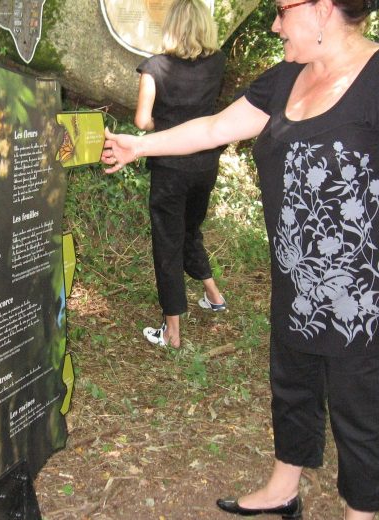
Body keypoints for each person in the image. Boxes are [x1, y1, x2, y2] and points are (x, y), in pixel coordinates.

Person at [101, 0, 379, 518]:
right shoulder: (285, 78)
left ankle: (360, 512)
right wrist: (138, 146)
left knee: (358, 409)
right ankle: (283, 490)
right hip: (296, 283)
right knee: (293, 388)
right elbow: (214, 128)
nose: (276, 23)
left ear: (323, 9)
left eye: (284, 10)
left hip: (363, 296)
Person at [133, 0, 227, 349]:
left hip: (170, 166)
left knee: (167, 242)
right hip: (205, 164)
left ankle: (172, 331)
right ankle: (213, 295)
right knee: (190, 229)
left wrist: (167, 124)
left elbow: (142, 122)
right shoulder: (218, 62)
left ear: (171, 25)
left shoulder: (154, 67)